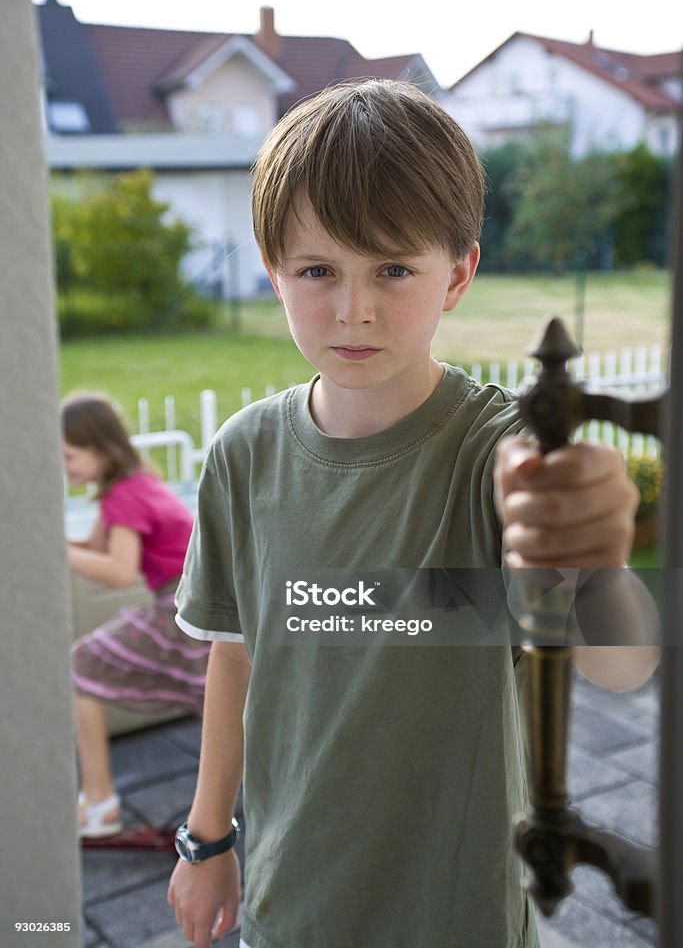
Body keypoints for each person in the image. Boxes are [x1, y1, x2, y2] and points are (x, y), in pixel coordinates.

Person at [167, 80, 657, 948]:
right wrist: (208, 839)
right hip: (288, 906)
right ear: (272, 268)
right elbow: (234, 657)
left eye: (392, 268)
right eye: (318, 270)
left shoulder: (498, 456)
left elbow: (620, 667)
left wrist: (594, 555)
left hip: (458, 912)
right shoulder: (241, 456)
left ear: (458, 273)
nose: (353, 308)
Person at [62, 393, 210, 838]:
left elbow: (118, 569)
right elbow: (97, 548)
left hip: (181, 606)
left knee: (78, 665)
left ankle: (100, 799)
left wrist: (57, 551)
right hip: (200, 602)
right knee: (223, 706)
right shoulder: (135, 480)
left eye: (69, 455)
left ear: (101, 449)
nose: (64, 466)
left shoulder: (122, 497)